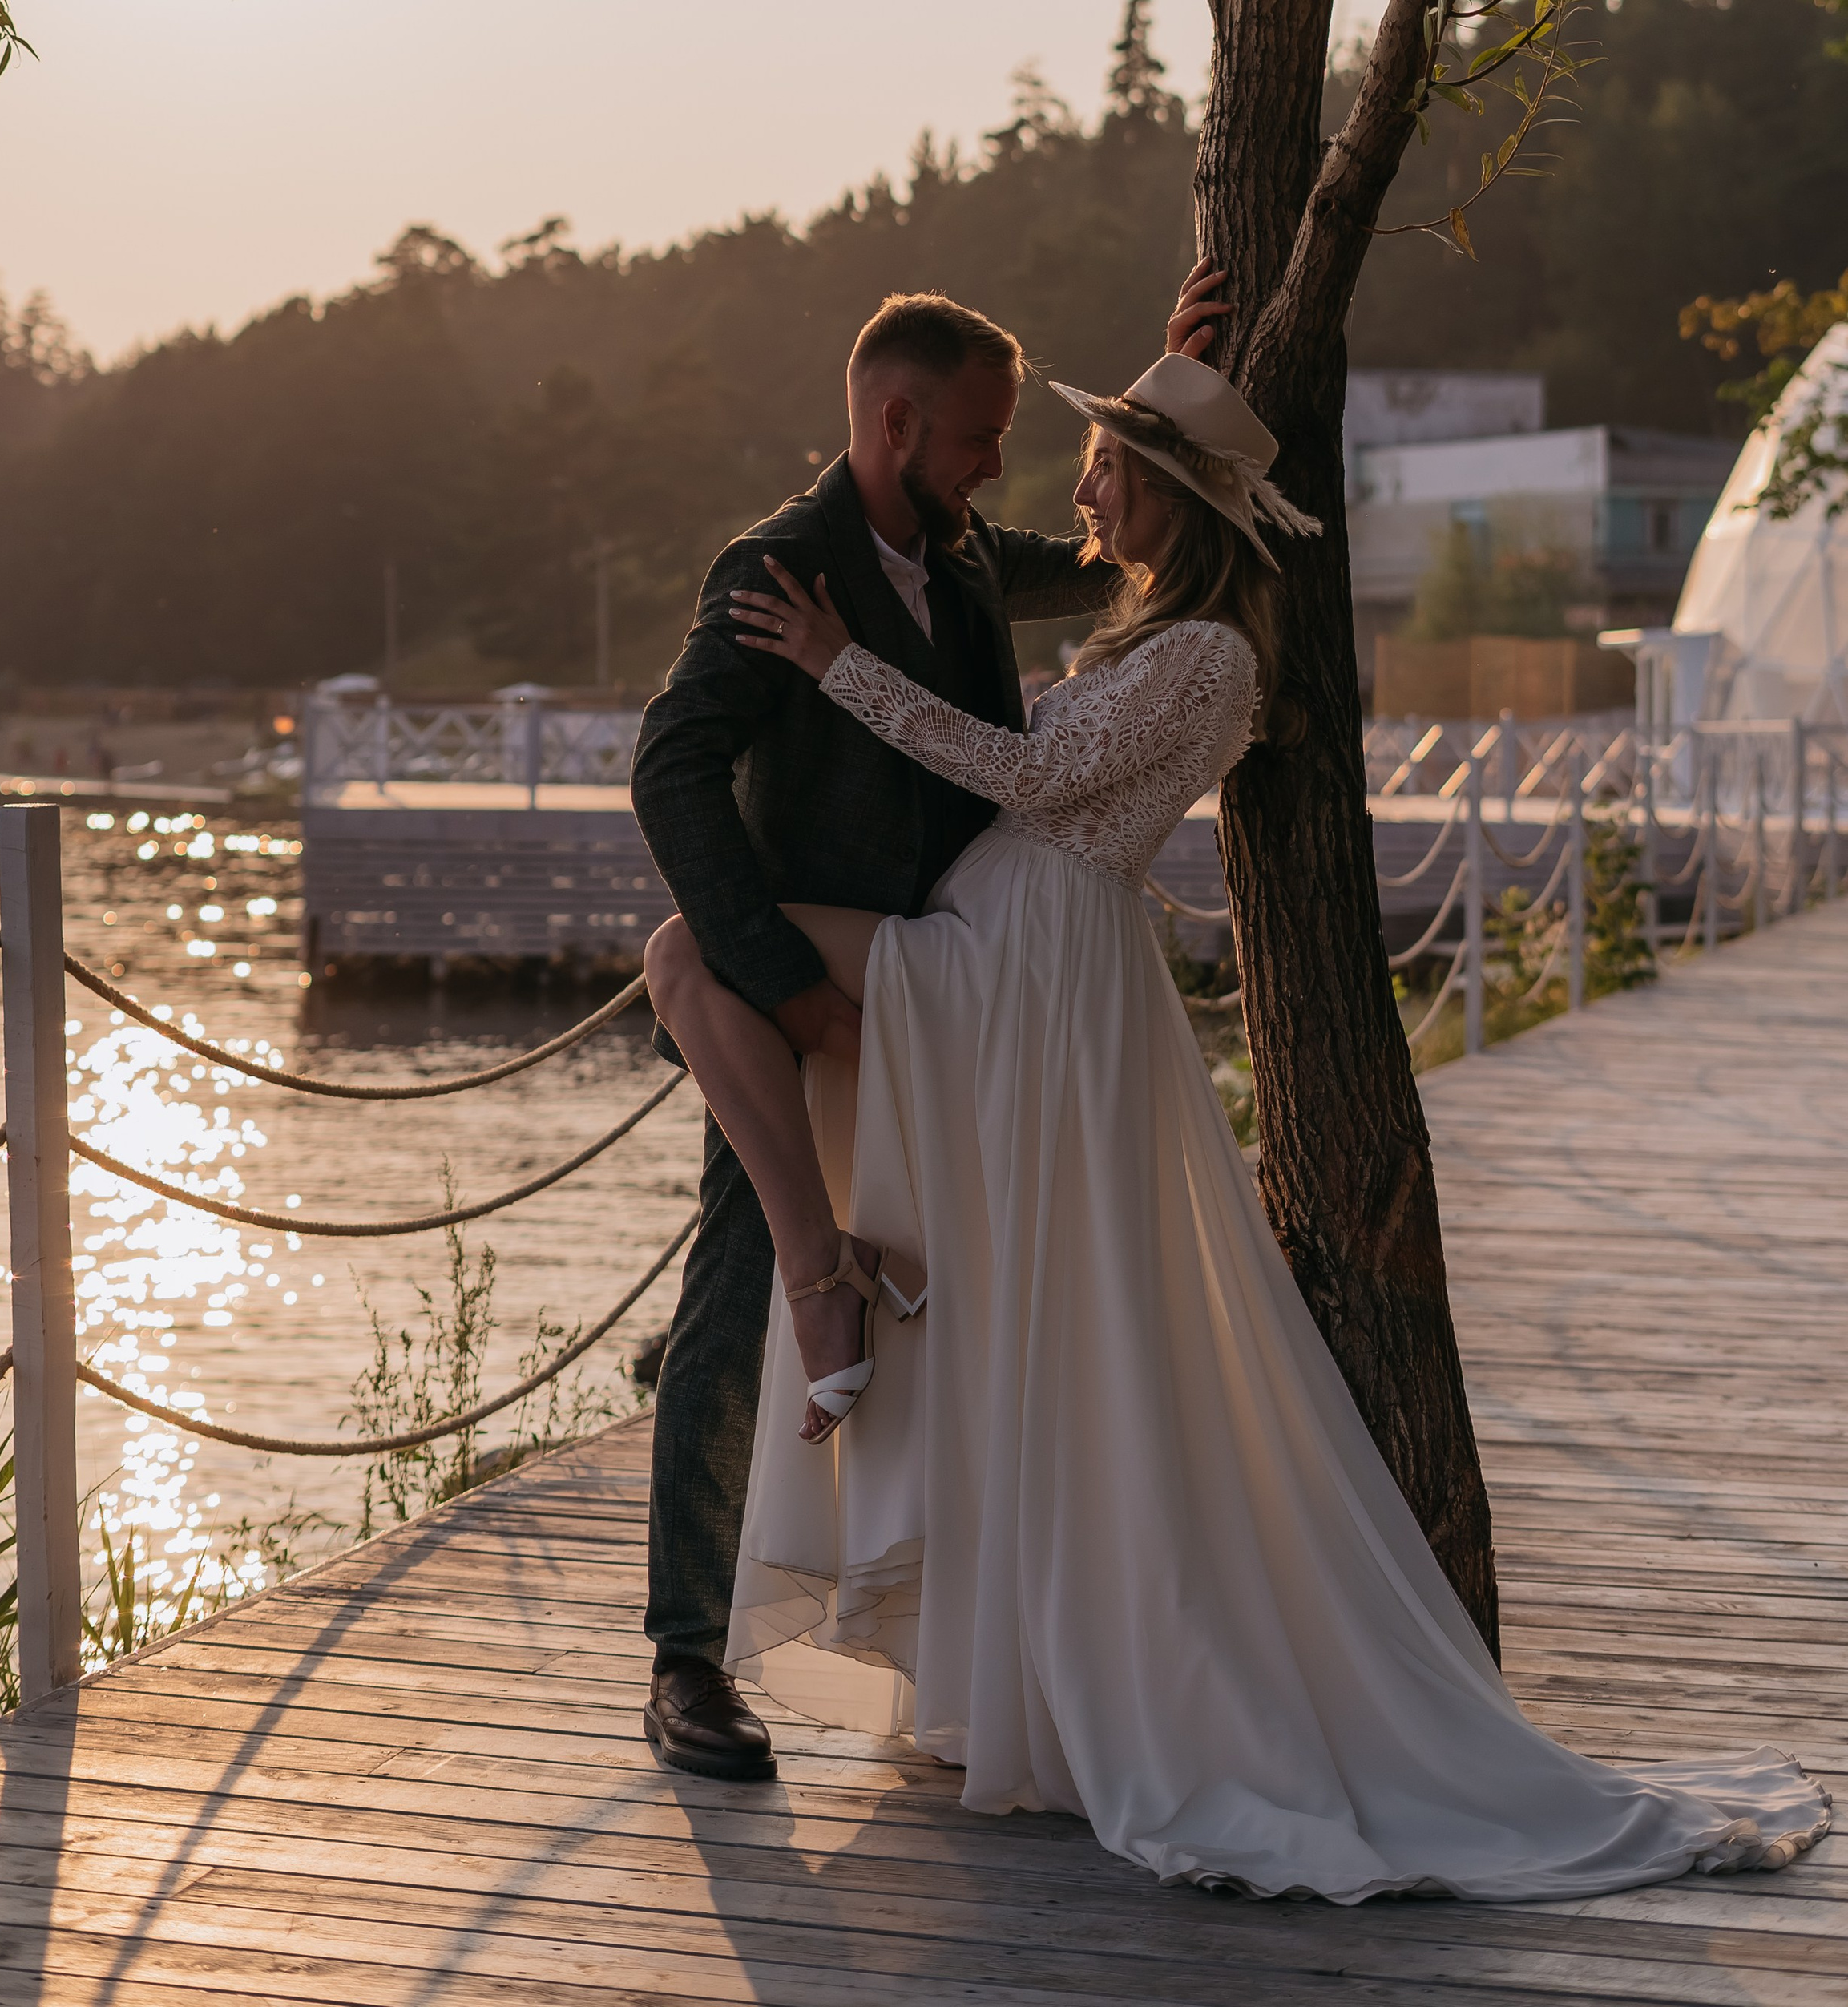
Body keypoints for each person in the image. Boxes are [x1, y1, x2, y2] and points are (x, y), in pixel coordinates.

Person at [646, 344, 1829, 1899]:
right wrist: (1185, 353)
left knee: (689, 976)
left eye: (1096, 461)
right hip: (985, 958)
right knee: (733, 1039)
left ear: (1162, 494)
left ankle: (830, 1280)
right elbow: (694, 757)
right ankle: (735, 1587)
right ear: (899, 421)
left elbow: (1020, 764)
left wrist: (834, 670)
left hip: (1018, 972)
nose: (1055, 484)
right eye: (1010, 444)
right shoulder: (1027, 597)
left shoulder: (1203, 652)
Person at [631, 270, 1228, 1782]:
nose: (995, 467)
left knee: (987, 1310)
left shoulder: (966, 555)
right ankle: (690, 1663)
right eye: (975, 436)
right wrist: (781, 983)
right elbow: (672, 773)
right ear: (895, 420)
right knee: (733, 1292)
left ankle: (984, 1643)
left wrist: (1175, 393)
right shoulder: (777, 570)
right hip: (808, 998)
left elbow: (1121, 549)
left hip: (968, 989)